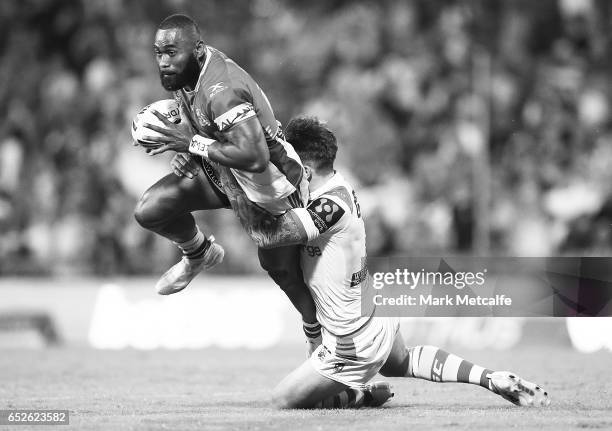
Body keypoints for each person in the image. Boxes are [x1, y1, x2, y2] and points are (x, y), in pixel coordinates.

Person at [221, 116, 551, 409]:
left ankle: (359, 394)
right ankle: (491, 378)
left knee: (281, 400)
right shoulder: (337, 187)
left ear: (305, 169)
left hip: (350, 341)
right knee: (403, 361)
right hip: (374, 313)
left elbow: (268, 237)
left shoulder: (331, 206)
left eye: (289, 166)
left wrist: (227, 175)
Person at [133, 14, 320, 348]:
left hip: (272, 187)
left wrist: (191, 144)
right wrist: (193, 152)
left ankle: (319, 340)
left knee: (283, 271)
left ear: (198, 50)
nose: (163, 62)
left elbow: (255, 156)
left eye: (171, 52)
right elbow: (210, 128)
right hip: (225, 173)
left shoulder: (222, 90)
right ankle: (198, 254)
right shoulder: (188, 74)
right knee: (150, 209)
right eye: (159, 53)